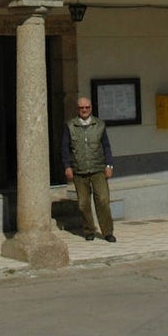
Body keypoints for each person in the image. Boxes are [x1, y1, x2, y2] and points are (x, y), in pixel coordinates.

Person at [61, 97, 115, 242]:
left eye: (87, 107)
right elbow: (65, 148)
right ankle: (89, 229)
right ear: (77, 109)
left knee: (103, 200)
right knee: (83, 203)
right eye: (81, 108)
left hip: (98, 169)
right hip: (79, 170)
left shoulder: (100, 125)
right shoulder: (70, 125)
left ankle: (107, 231)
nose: (84, 110)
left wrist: (109, 165)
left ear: (91, 108)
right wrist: (67, 166)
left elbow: (106, 146)